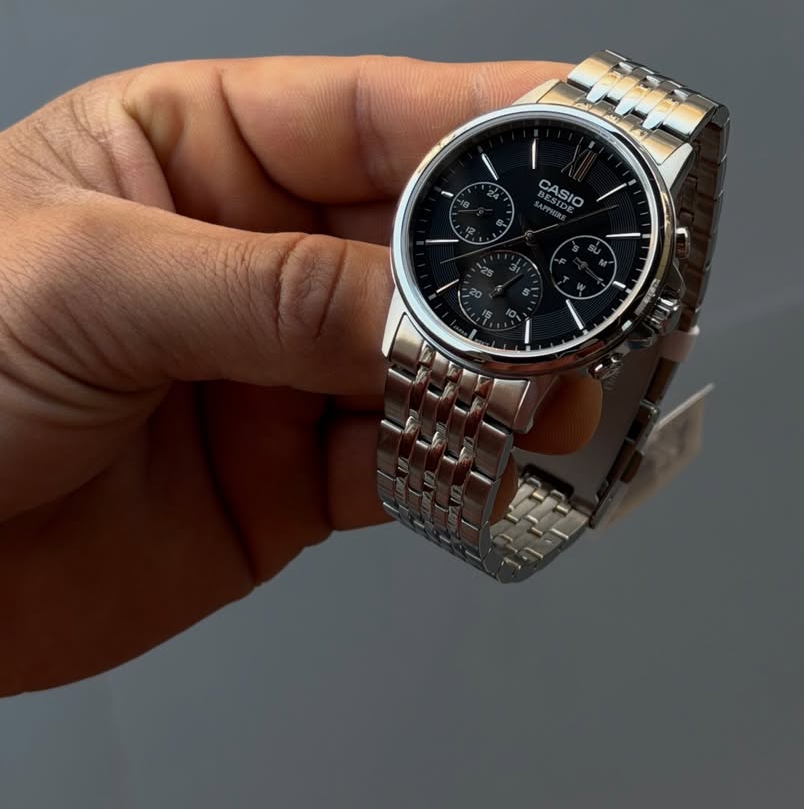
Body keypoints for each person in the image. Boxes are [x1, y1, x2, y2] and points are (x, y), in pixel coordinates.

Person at [0, 55, 603, 696]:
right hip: (447, 327)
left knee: (554, 417)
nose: (532, 238)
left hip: (491, 337)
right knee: (552, 419)